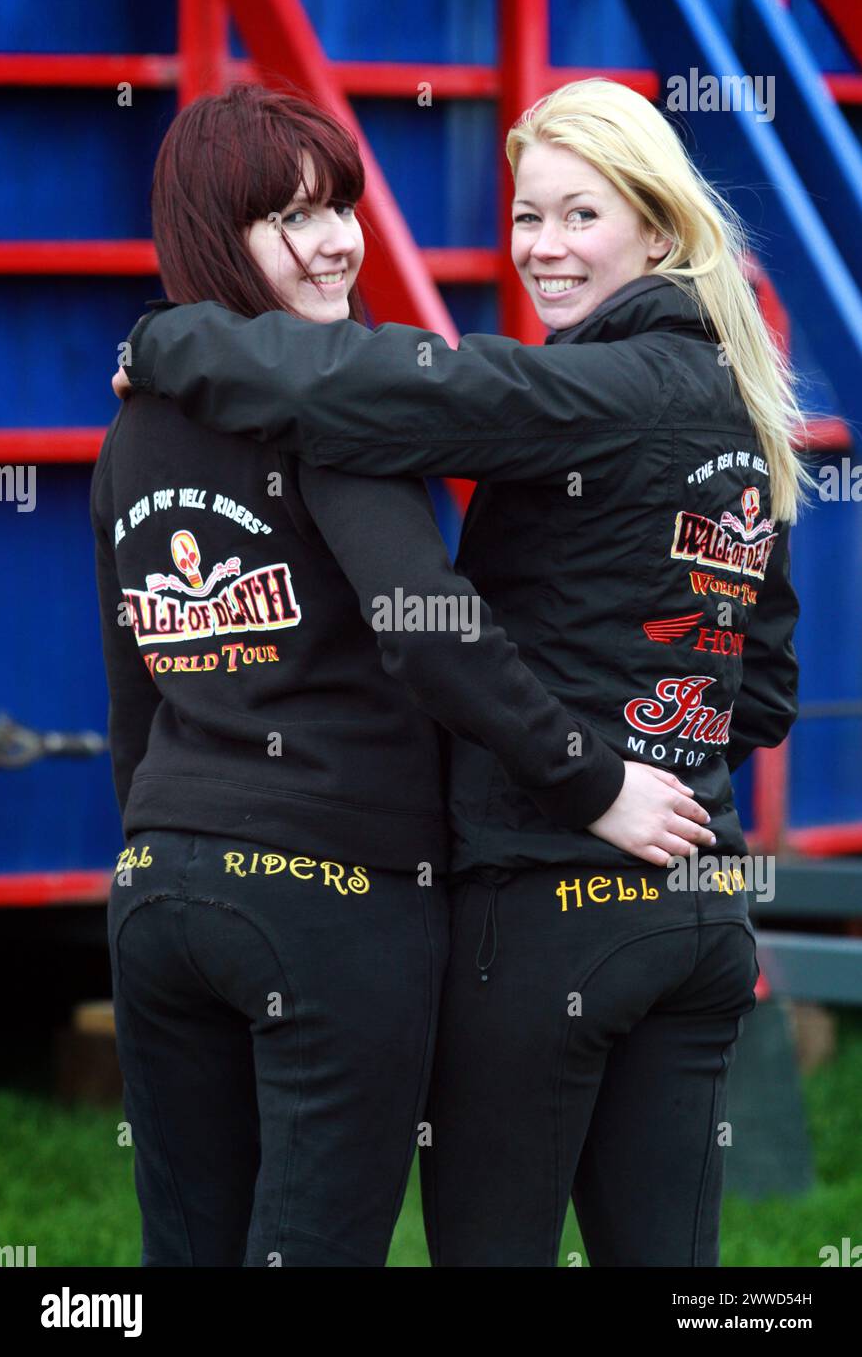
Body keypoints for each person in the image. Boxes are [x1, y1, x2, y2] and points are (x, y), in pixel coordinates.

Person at [112, 77, 804, 1266]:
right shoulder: (741, 407)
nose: (541, 247)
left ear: (658, 225)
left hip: (535, 913)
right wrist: (655, 763)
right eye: (526, 216)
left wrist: (164, 332)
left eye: (579, 216)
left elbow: (360, 394)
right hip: (694, 907)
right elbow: (769, 684)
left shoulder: (595, 389)